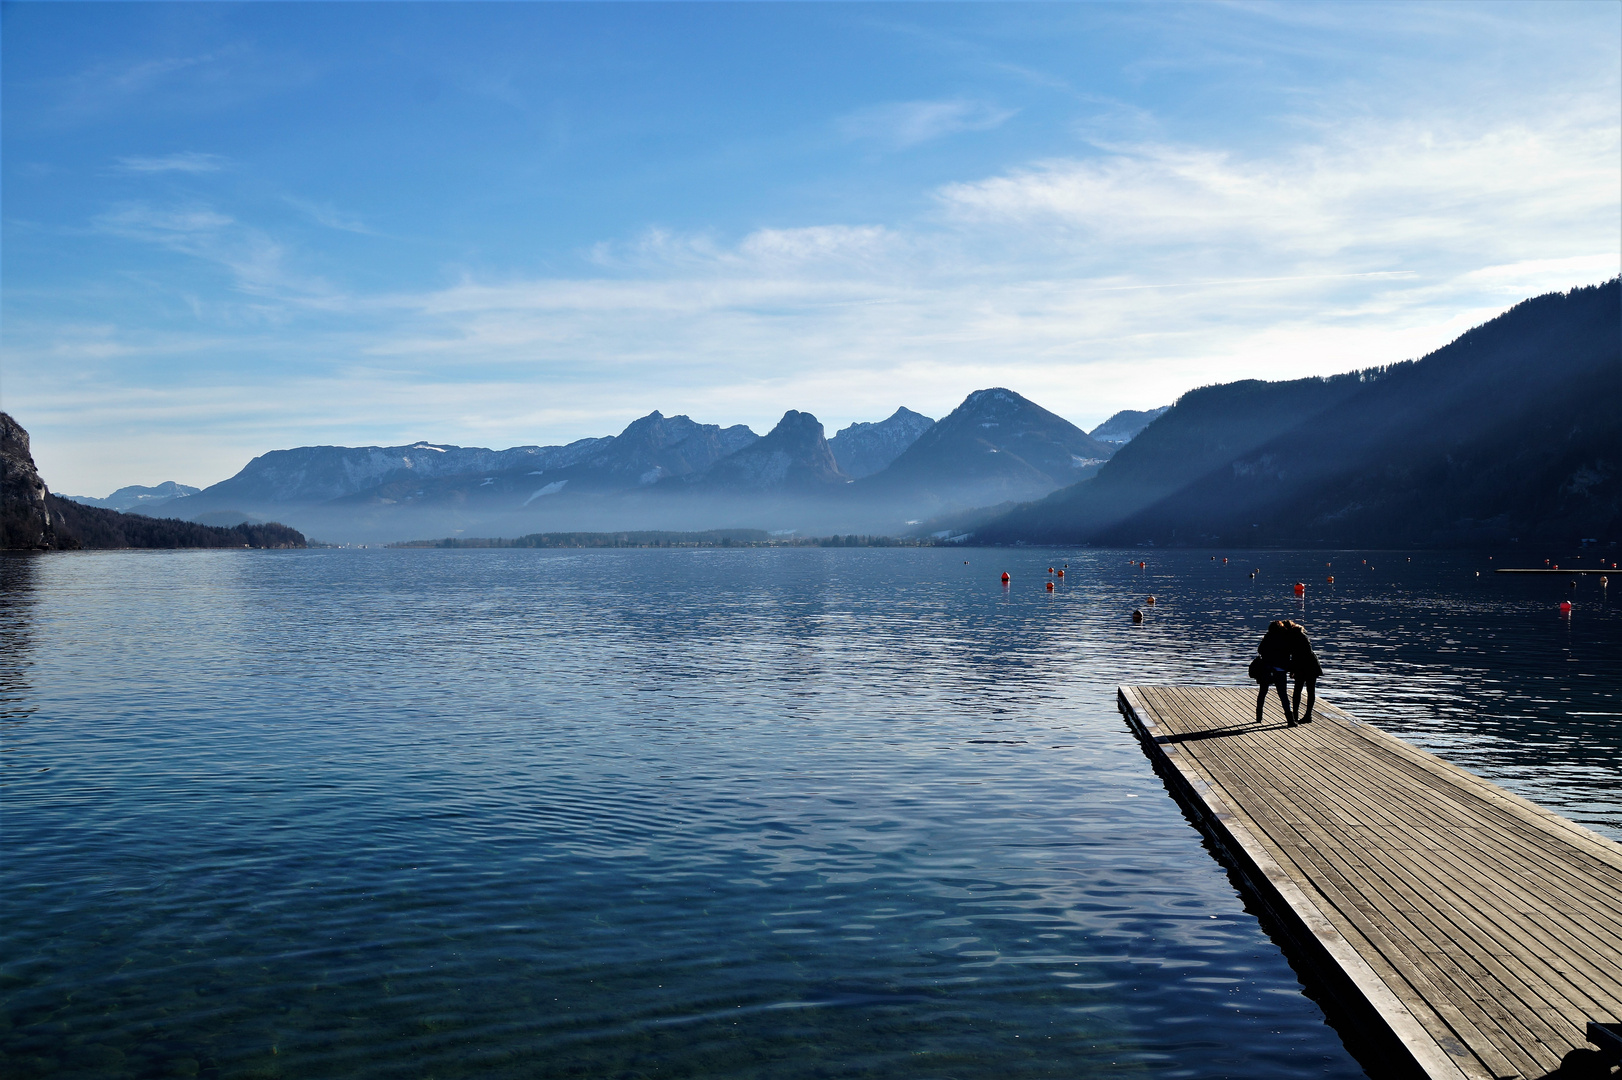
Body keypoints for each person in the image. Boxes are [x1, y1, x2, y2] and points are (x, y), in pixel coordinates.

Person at [1252, 620, 1296, 724]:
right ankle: (1290, 719)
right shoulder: (1285, 638)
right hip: (1280, 670)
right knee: (1283, 695)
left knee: (1262, 692)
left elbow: (1260, 650)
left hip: (1267, 669)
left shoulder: (1267, 637)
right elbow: (1290, 652)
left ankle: (1259, 717)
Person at [1284, 620, 1323, 724]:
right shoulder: (1299, 635)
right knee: (1308, 691)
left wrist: (1293, 669)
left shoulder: (1294, 637)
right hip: (1309, 665)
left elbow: (1297, 655)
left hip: (1305, 666)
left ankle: (1299, 715)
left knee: (1299, 690)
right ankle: (1305, 715)